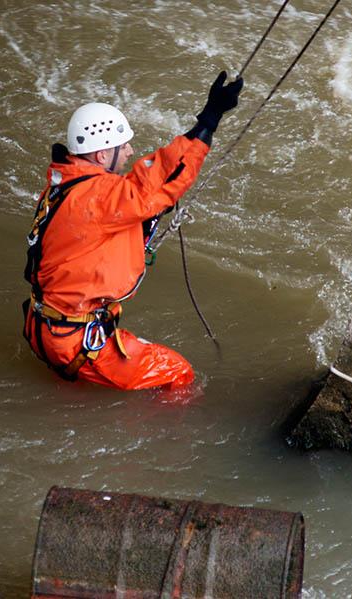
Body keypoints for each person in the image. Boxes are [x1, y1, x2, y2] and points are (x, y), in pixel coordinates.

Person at [23, 71, 243, 390]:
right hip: (72, 341)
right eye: (122, 147)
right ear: (101, 155)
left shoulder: (65, 185)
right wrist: (210, 120)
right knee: (180, 374)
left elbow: (118, 208)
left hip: (47, 327)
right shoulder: (99, 198)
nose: (128, 153)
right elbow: (167, 175)